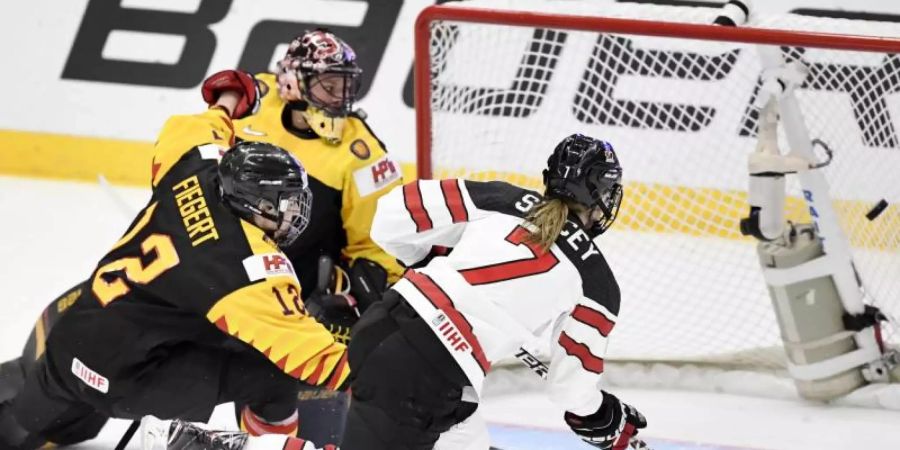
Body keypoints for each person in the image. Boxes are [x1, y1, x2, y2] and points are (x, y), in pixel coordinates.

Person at [2, 28, 401, 447]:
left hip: (138, 307)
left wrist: (227, 99)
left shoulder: (192, 166)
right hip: (240, 305)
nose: (340, 95)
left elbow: (196, 128)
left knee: (43, 402)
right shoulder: (244, 271)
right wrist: (394, 378)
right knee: (274, 376)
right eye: (328, 84)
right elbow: (316, 357)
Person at [147, 134, 649, 450]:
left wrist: (434, 267)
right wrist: (607, 421)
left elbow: (393, 216)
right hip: (428, 376)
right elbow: (571, 390)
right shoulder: (599, 284)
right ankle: (205, 446)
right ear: (604, 198)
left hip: (391, 324)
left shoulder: (501, 198)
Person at [230, 27, 405, 445]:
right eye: (329, 86)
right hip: (229, 270)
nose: (340, 99)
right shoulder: (256, 103)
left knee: (308, 430)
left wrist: (363, 289)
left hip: (297, 297)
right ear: (292, 83)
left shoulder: (363, 157)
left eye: (345, 86)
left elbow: (382, 245)